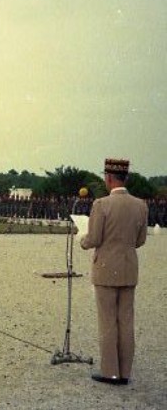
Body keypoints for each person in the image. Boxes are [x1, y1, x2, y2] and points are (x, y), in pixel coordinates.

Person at [80, 158, 148, 385]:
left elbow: (94, 238)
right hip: (129, 268)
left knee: (108, 321)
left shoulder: (101, 205)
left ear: (108, 178)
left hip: (106, 269)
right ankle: (125, 372)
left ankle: (111, 372)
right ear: (125, 177)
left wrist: (83, 240)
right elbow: (140, 240)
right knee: (126, 321)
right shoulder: (141, 205)